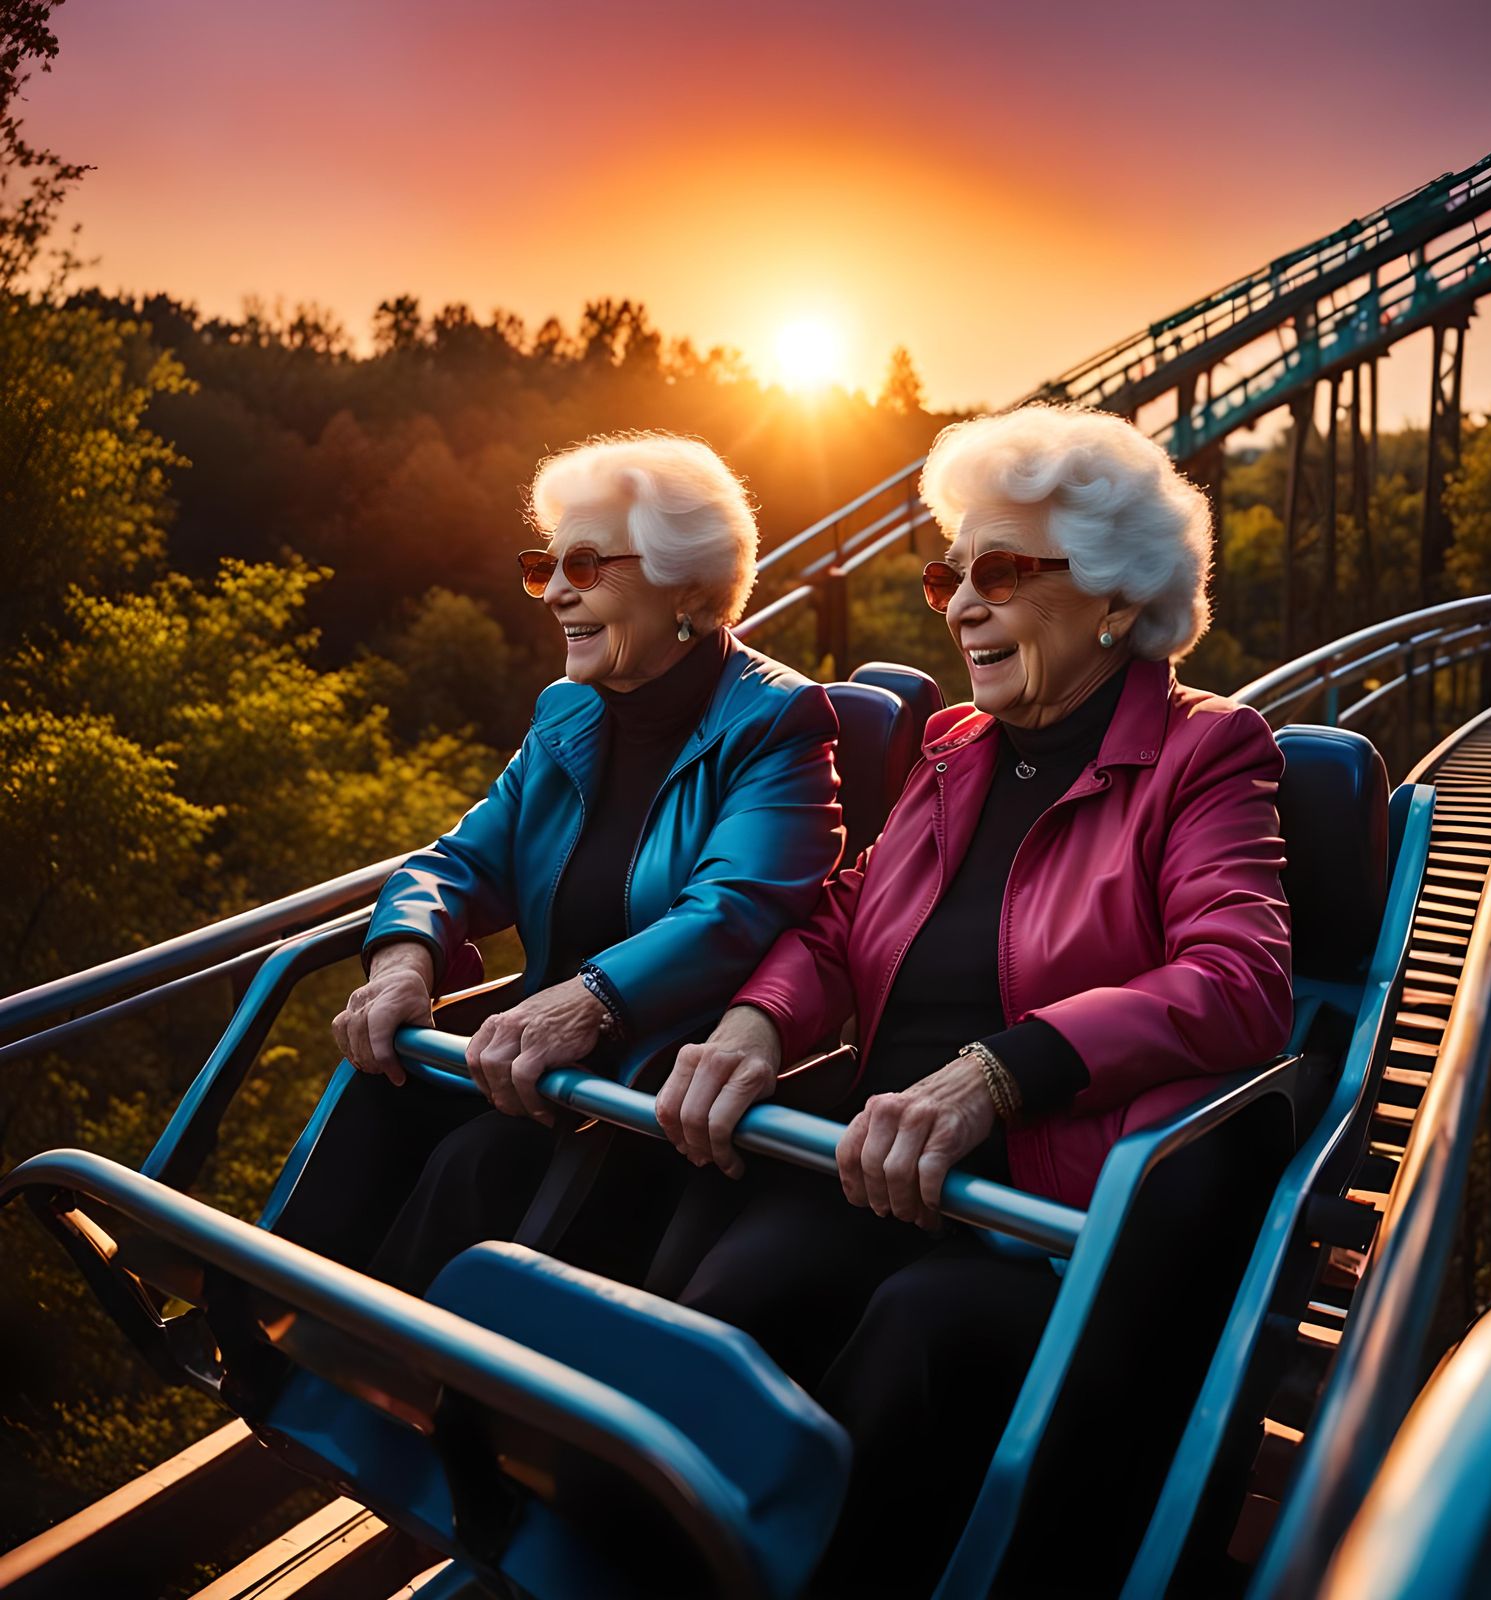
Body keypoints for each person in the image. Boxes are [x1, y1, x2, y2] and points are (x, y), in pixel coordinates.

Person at [652, 403, 1294, 1591]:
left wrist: (1002, 1069)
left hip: (1043, 1210)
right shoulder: (952, 742)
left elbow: (1239, 979)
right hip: (873, 1161)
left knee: (917, 1345)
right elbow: (844, 920)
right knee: (722, 1307)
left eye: (996, 570)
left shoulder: (1207, 753)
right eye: (948, 569)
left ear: (1113, 594)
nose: (955, 603)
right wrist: (759, 1016)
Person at [275, 432, 843, 1292]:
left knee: (480, 1163)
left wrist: (591, 1000)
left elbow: (735, 909)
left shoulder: (780, 723)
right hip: (538, 1059)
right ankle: (264, 1330)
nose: (554, 595)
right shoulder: (569, 712)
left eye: (584, 566)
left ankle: (362, 1385)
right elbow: (461, 861)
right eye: (545, 567)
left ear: (686, 582)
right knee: (379, 1087)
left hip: (656, 1094)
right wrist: (403, 959)